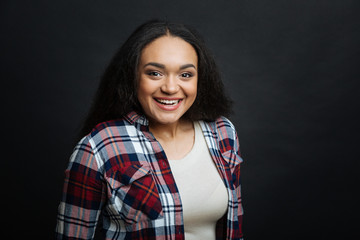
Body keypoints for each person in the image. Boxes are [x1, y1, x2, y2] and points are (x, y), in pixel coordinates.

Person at [55, 19, 244, 240]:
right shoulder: (99, 147)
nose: (171, 88)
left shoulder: (223, 133)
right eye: (155, 73)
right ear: (132, 76)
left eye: (185, 75)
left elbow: (235, 229)